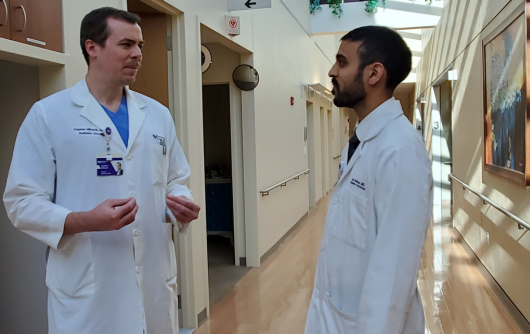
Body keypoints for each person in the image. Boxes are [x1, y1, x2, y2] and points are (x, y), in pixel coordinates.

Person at [3, 7, 200, 334]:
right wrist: (82, 221)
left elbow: (176, 179)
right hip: (87, 288)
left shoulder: (157, 115)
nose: (137, 54)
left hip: (152, 278)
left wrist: (179, 202)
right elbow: (20, 202)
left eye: (140, 46)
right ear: (91, 47)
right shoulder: (49, 115)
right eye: (126, 45)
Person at [304, 26, 433, 334]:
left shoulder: (400, 150)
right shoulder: (362, 140)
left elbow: (393, 274)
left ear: (374, 73)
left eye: (342, 62)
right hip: (336, 316)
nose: (332, 71)